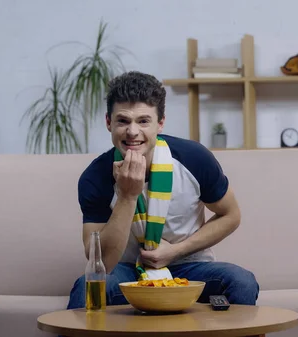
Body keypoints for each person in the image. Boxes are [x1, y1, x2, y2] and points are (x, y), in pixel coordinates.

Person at [66, 71, 259, 310]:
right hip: (128, 271)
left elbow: (231, 215)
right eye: (123, 121)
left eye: (143, 121)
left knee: (242, 282)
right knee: (86, 290)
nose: (132, 132)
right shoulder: (95, 176)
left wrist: (175, 252)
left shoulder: (194, 159)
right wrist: (127, 196)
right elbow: (102, 262)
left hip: (188, 266)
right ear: (109, 122)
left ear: (160, 123)